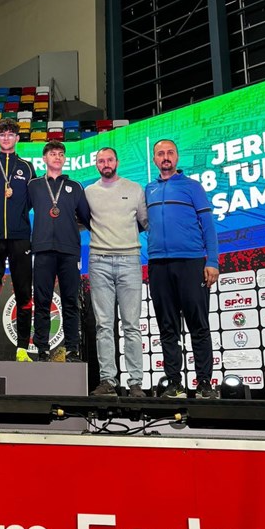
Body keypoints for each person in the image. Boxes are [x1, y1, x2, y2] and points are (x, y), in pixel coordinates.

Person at [145, 139, 219, 399]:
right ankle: (174, 383)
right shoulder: (149, 189)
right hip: (158, 265)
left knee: (198, 325)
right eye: (160, 153)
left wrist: (212, 261)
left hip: (191, 262)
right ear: (154, 159)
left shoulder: (193, 186)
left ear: (176, 157)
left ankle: (204, 383)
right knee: (167, 327)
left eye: (170, 153)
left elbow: (208, 226)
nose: (165, 157)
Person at [85, 147, 148, 398]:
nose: (106, 164)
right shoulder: (89, 192)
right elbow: (82, 221)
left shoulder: (134, 189)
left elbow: (145, 222)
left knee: (132, 325)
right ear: (97, 165)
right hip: (99, 261)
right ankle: (108, 380)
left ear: (117, 162)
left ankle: (136, 383)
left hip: (129, 260)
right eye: (101, 161)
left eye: (109, 159)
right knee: (103, 325)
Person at [28, 141, 91, 362]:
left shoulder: (75, 186)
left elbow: (87, 218)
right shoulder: (34, 185)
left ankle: (72, 348)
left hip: (69, 251)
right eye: (53, 153)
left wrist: (69, 226)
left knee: (70, 301)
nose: (57, 157)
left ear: (64, 159)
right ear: (44, 159)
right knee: (42, 301)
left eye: (61, 154)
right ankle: (42, 349)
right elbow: (19, 211)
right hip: (42, 249)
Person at [0, 119, 36, 362]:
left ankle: (22, 348)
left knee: (23, 291)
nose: (6, 138)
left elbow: (32, 200)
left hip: (20, 237)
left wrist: (18, 215)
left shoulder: (27, 167)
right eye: (2, 134)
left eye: (10, 134)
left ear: (17, 138)